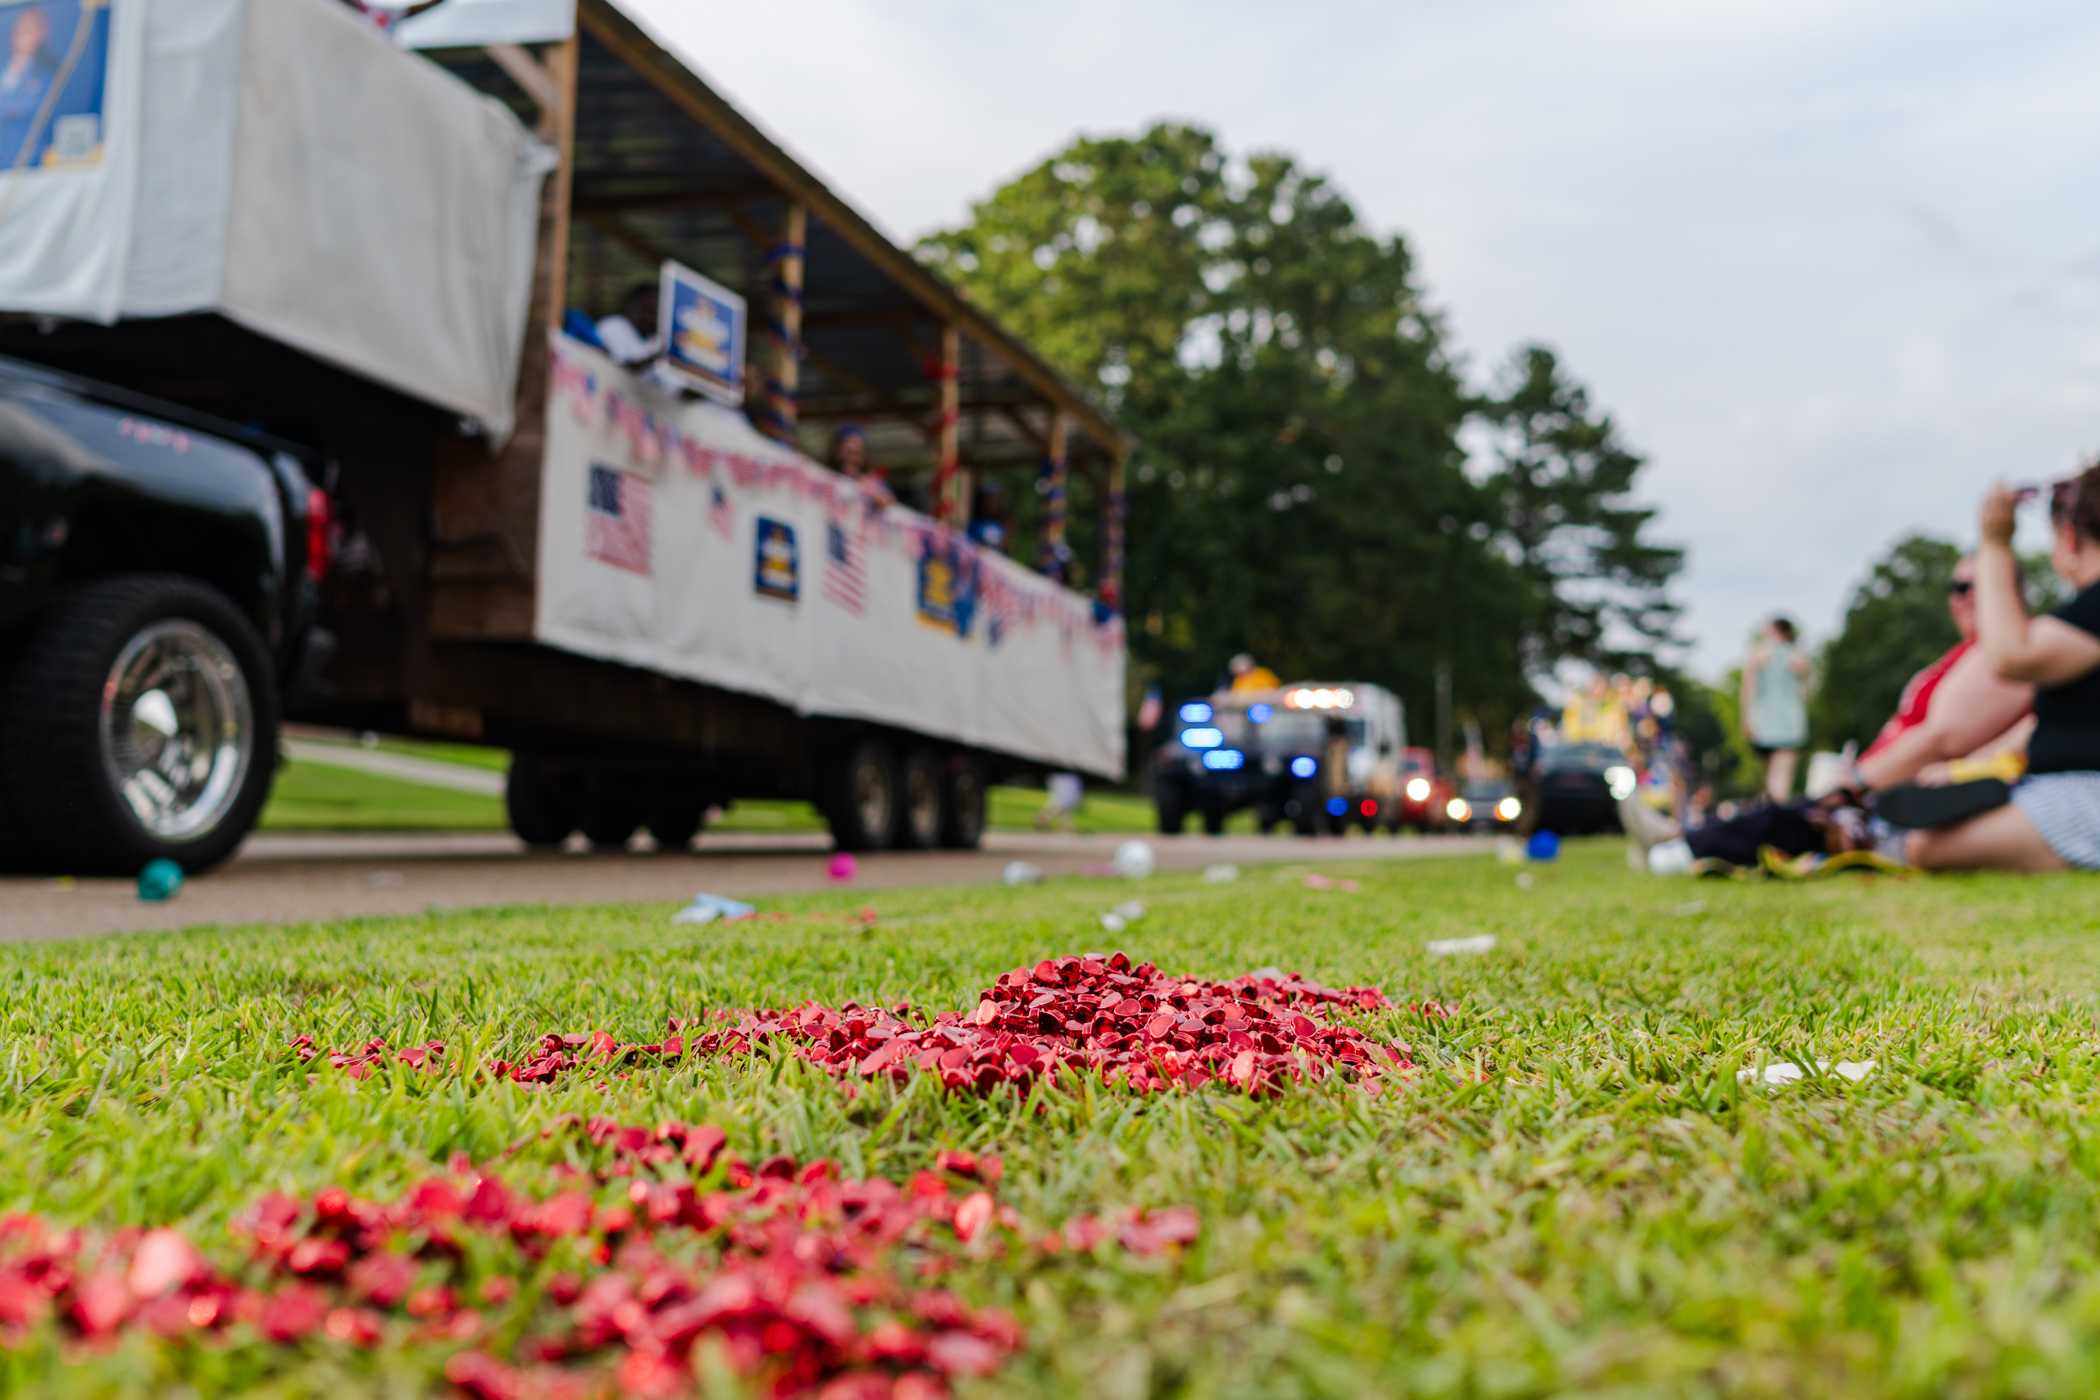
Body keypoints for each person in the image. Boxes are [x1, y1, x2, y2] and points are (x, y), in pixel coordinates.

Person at [1625, 552, 2034, 872]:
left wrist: (1856, 782)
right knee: (1782, 812)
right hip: (1879, 780)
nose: (1960, 596)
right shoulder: (1970, 654)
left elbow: (1945, 736)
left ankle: (1678, 848)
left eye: (1973, 586)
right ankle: (1677, 838)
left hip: (1896, 791)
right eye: (1956, 586)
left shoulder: (2006, 655)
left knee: (1785, 820)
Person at [1907, 469, 2100, 872]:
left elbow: (2012, 656)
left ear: (2067, 538)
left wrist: (1994, 543)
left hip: (2084, 794)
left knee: (1926, 846)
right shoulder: (2083, 618)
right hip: (2065, 790)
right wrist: (1967, 769)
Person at [1742, 616, 1810, 801]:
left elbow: (1748, 690)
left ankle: (1771, 814)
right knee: (1783, 775)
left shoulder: (1758, 655)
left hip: (1764, 722)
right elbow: (1805, 692)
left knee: (1771, 775)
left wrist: (1747, 719)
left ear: (1774, 630)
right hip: (1789, 722)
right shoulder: (1798, 656)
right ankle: (1775, 815)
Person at [0, 6, 54, 170]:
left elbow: (34, 106)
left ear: (41, 34)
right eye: (21, 30)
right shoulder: (5, 69)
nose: (24, 36)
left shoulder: (45, 71)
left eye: (30, 30)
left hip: (28, 158)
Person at [595, 283, 660, 367]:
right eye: (648, 311)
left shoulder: (655, 341)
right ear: (633, 305)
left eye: (655, 313)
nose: (651, 318)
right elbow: (620, 367)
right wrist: (658, 356)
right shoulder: (613, 325)